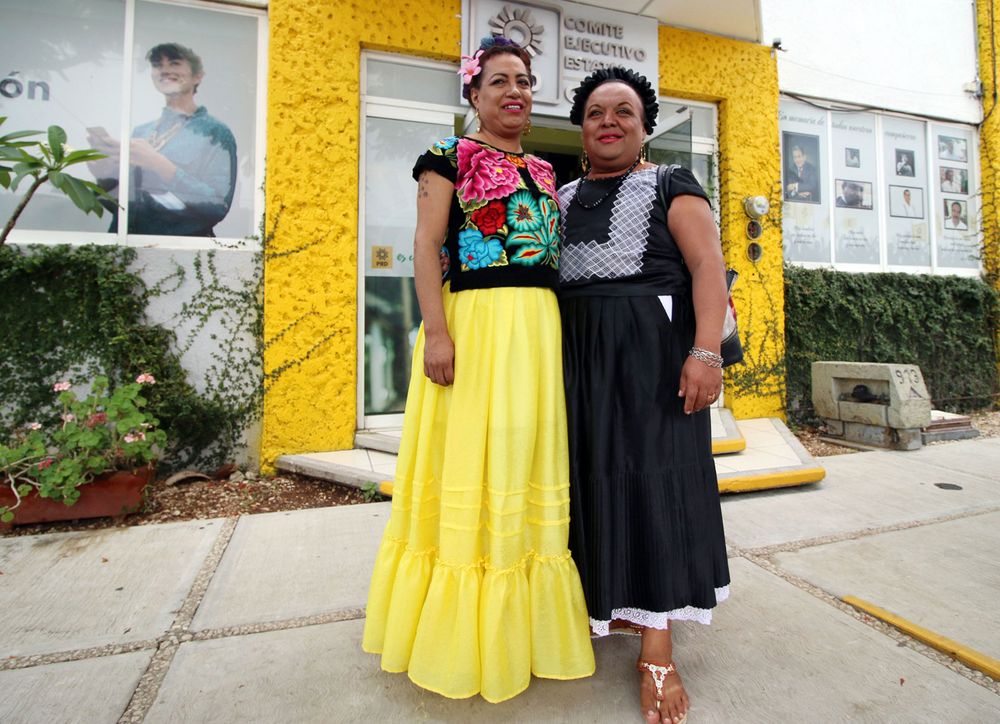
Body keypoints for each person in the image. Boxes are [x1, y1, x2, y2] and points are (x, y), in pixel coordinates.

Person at [361, 36, 595, 703]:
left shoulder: (550, 173)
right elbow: (427, 244)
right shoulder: (449, 156)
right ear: (474, 93)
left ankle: (523, 626)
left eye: (523, 80)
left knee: (523, 457)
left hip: (535, 330)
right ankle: (455, 633)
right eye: (499, 81)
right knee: (467, 457)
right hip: (473, 326)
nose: (514, 91)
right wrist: (436, 332)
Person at [560, 66, 731, 724]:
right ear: (581, 127)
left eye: (623, 112)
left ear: (645, 127)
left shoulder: (670, 184)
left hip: (652, 360)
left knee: (656, 484)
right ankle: (615, 607)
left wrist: (706, 351)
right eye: (597, 111)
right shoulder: (561, 196)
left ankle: (657, 646)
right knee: (590, 483)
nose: (609, 120)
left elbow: (707, 266)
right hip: (577, 361)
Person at [87, 43, 236, 236]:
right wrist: (105, 177)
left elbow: (218, 206)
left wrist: (158, 164)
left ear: (197, 76)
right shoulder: (141, 132)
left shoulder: (215, 132)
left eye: (174, 63)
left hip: (181, 255)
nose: (165, 70)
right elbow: (125, 209)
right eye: (158, 65)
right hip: (127, 251)